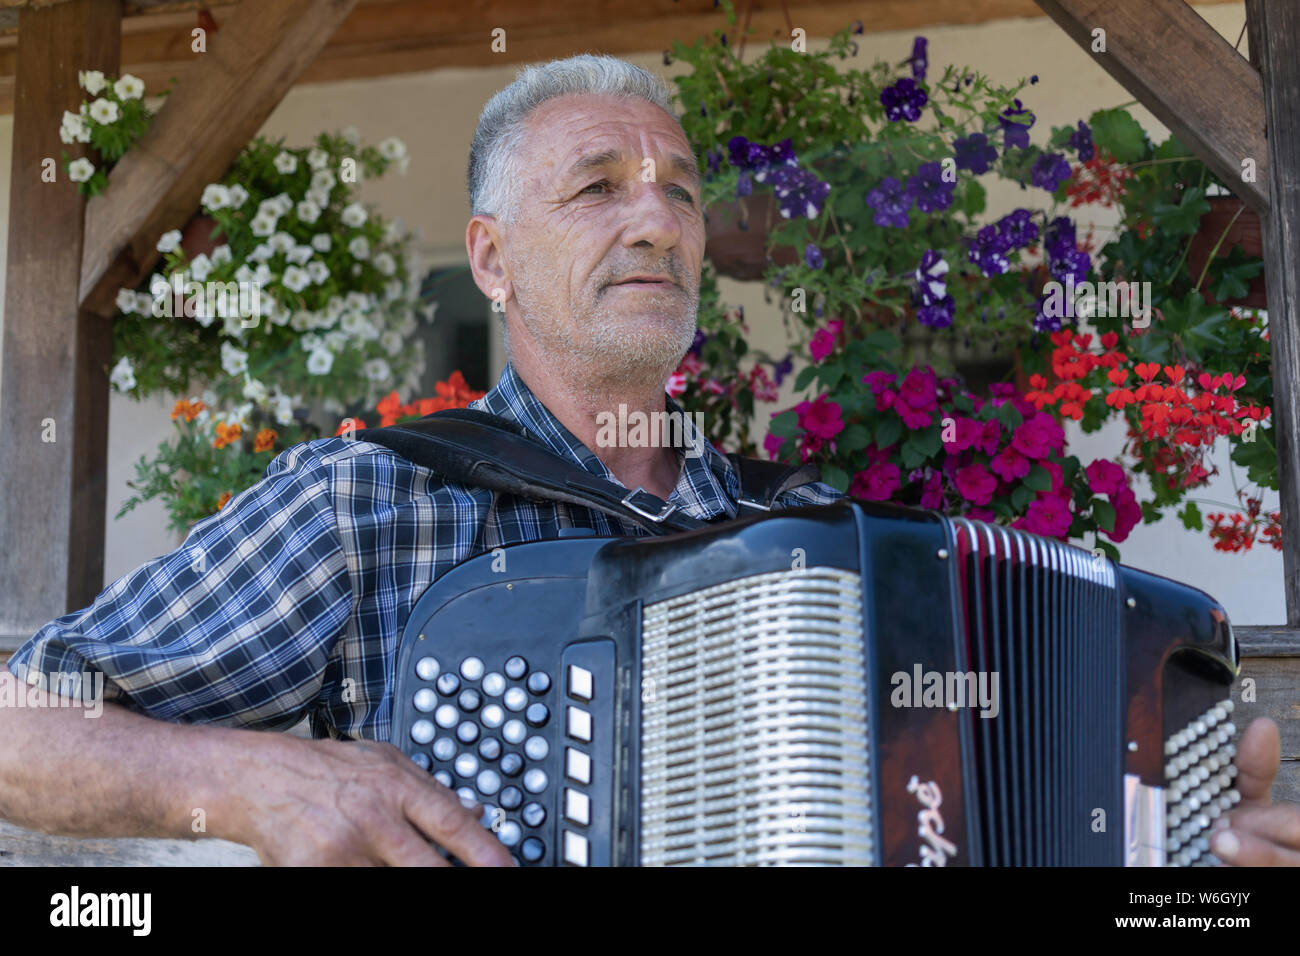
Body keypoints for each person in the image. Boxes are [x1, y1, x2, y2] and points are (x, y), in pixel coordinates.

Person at [1, 55, 1295, 867]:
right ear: (492, 257)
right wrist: (250, 782)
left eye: (680, 190)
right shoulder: (369, 501)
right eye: (597, 186)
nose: (656, 221)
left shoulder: (811, 549)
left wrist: (1174, 857)